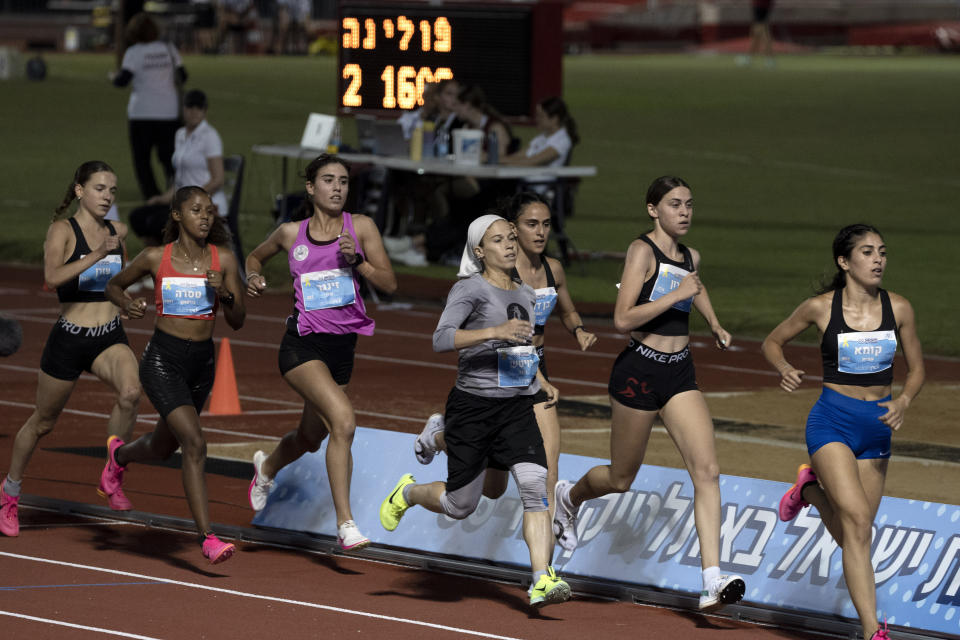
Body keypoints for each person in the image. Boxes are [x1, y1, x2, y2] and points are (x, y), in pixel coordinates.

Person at [551, 176, 746, 611]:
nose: (685, 212)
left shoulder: (690, 255)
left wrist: (713, 323)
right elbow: (622, 319)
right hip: (639, 371)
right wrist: (675, 294)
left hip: (679, 373)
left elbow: (696, 285)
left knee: (707, 470)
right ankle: (570, 496)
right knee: (621, 478)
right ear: (652, 209)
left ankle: (712, 579)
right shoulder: (642, 251)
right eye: (675, 204)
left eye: (689, 204)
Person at [379, 214, 572, 610]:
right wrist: (493, 332)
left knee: (535, 489)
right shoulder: (469, 289)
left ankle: (540, 579)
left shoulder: (526, 294)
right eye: (499, 240)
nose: (510, 245)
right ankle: (410, 487)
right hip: (473, 408)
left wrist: (540, 381)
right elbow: (441, 338)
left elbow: (521, 349)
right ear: (480, 251)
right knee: (461, 505)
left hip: (516, 408)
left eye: (512, 238)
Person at [761, 224, 924, 640]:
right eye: (868, 252)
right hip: (832, 420)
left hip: (878, 430)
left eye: (882, 252)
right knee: (854, 520)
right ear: (844, 261)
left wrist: (903, 401)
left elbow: (918, 369)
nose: (878, 260)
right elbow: (773, 342)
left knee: (858, 533)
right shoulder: (820, 308)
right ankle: (873, 631)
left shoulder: (899, 308)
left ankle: (809, 490)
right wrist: (784, 369)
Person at [414, 192, 598, 524]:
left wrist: (579, 330)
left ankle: (552, 543)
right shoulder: (500, 276)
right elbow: (451, 332)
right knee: (501, 485)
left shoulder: (552, 270)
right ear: (513, 230)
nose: (540, 232)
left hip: (531, 363)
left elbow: (568, 311)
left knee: (530, 474)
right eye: (531, 225)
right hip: (497, 369)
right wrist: (493, 332)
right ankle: (442, 436)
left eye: (546, 224)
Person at [245, 154, 397, 551]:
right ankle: (345, 523)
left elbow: (390, 282)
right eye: (328, 180)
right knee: (343, 423)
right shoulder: (289, 233)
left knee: (311, 437)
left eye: (344, 181)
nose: (337, 188)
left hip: (342, 349)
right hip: (301, 346)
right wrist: (254, 275)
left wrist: (357, 262)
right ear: (311, 188)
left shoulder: (360, 227)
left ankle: (268, 466)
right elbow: (255, 255)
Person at [102, 186, 246, 564]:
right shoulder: (155, 257)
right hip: (162, 361)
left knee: (164, 446)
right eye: (196, 210)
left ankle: (119, 456)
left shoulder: (224, 260)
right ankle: (208, 537)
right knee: (195, 444)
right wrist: (128, 304)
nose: (205, 217)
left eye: (210, 211)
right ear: (177, 215)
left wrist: (225, 294)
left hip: (202, 364)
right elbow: (113, 285)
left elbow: (239, 320)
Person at [0, 161, 141, 538]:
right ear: (80, 191)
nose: (107, 196)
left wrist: (127, 304)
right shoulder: (62, 230)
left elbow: (117, 283)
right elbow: (51, 279)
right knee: (43, 422)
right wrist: (96, 253)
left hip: (108, 335)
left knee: (131, 393)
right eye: (99, 188)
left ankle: (113, 472)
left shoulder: (118, 231)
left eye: (112, 190)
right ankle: (10, 491)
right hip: (70, 337)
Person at [129, 89, 227, 247]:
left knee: (157, 222)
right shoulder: (180, 135)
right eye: (190, 107)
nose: (194, 112)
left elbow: (218, 179)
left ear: (205, 111)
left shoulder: (210, 136)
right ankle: (160, 261)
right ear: (183, 109)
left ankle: (168, 262)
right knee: (138, 217)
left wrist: (191, 198)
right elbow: (180, 181)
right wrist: (162, 198)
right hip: (182, 203)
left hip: (205, 204)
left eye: (199, 108)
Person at [112, 13, 186, 201]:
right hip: (168, 112)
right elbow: (183, 75)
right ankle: (175, 190)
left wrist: (113, 77)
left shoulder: (134, 52)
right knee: (170, 156)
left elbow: (123, 81)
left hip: (142, 113)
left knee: (142, 159)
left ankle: (152, 195)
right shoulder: (169, 49)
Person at [502, 96, 579, 169]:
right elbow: (518, 156)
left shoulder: (562, 140)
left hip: (540, 182)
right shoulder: (542, 137)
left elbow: (532, 162)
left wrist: (500, 162)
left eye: (541, 116)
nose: (537, 119)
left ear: (555, 119)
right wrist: (496, 160)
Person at [737, 0, 775, 67]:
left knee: (762, 31)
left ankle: (769, 59)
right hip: (763, 5)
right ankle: (749, 58)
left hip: (760, 5)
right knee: (757, 33)